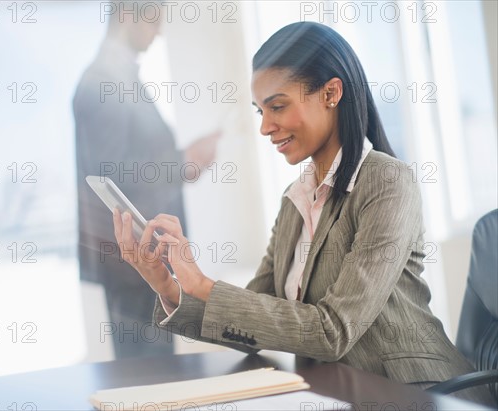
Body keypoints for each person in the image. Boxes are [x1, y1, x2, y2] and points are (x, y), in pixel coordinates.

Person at [112, 22, 494, 404]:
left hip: (417, 395)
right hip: (333, 394)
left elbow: (336, 331)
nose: (265, 127)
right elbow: (247, 322)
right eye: (260, 110)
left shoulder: (387, 182)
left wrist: (204, 284)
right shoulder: (295, 201)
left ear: (331, 92)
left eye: (277, 106)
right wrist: (170, 286)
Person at [74, 4, 219, 359]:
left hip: (143, 264)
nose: (159, 32)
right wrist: (182, 164)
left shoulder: (118, 78)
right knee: (151, 380)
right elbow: (111, 174)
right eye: (153, 21)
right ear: (127, 15)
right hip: (134, 267)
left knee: (155, 378)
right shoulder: (103, 82)